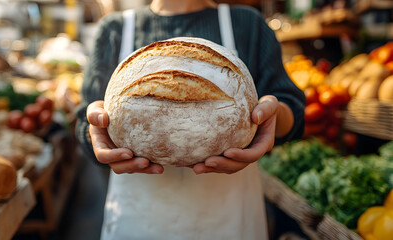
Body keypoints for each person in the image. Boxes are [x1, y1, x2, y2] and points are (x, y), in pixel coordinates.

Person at [76, 0, 305, 239]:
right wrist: (95, 133)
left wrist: (274, 113)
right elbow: (86, 121)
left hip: (229, 223)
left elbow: (294, 112)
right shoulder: (114, 29)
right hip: (139, 223)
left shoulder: (248, 23)